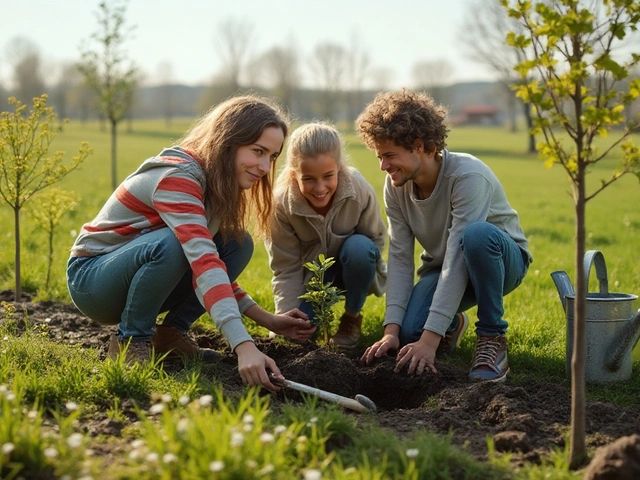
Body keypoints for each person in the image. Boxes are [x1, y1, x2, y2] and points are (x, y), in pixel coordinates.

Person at [67, 95, 316, 391]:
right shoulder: (179, 177)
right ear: (228, 142)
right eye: (258, 151)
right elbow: (203, 261)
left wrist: (268, 321)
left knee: (237, 243)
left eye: (272, 156)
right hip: (93, 280)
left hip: (134, 273)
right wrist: (243, 345)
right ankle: (131, 339)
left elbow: (210, 267)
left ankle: (170, 335)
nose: (264, 166)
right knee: (174, 245)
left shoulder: (215, 184)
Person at [356, 89, 532, 382]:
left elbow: (459, 257)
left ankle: (491, 338)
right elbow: (400, 258)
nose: (383, 167)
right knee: (410, 332)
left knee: (475, 236)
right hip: (443, 266)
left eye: (389, 156)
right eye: (379, 157)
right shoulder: (395, 186)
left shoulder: (468, 177)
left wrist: (430, 341)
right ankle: (452, 320)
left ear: (420, 146)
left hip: (500, 261)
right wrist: (391, 332)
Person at [266, 122, 387, 350]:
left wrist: (360, 272)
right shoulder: (281, 204)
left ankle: (351, 318)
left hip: (352, 266)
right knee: (298, 336)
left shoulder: (358, 189)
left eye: (328, 176)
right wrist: (284, 317)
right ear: (294, 174)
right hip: (311, 280)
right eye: (309, 179)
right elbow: (286, 267)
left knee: (359, 247)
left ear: (339, 168)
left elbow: (375, 240)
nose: (320, 188)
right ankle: (311, 318)